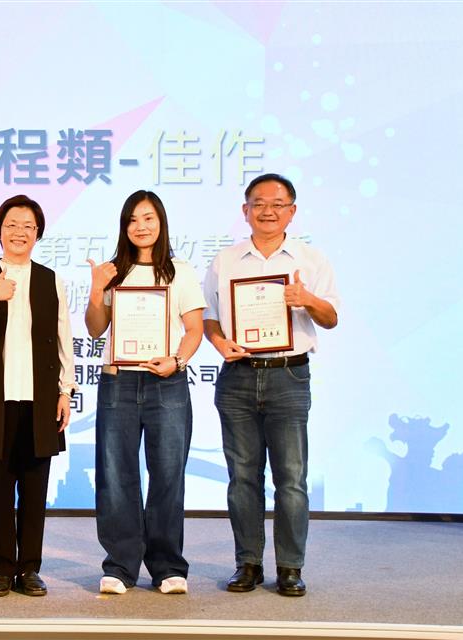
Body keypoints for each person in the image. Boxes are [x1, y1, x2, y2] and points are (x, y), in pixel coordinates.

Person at [202, 173, 339, 597]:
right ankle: (248, 564)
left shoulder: (310, 259)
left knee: (291, 478)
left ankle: (290, 567)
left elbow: (331, 318)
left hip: (288, 375)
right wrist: (219, 342)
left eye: (277, 204)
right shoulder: (225, 260)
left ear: (292, 212)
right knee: (242, 477)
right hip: (239, 376)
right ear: (245, 211)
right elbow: (209, 316)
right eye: (258, 203)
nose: (268, 211)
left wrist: (307, 300)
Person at [0, 195, 77, 597]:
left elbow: (63, 338)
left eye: (27, 226)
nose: (19, 232)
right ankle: (2, 569)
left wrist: (66, 390)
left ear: (37, 233)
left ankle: (30, 569)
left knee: (36, 490)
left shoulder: (50, 279)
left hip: (39, 400)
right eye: (11, 225)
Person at [85, 190, 205, 595]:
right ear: (124, 227)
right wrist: (96, 289)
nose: (141, 226)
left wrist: (178, 360)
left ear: (161, 222)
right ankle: (120, 566)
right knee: (116, 475)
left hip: (166, 382)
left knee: (168, 474)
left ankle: (168, 566)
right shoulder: (113, 272)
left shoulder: (179, 271)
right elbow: (95, 328)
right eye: (133, 219)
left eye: (148, 218)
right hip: (118, 381)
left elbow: (194, 329)